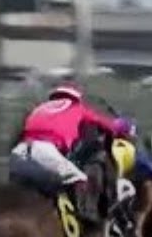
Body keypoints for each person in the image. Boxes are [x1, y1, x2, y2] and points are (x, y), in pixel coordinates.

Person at [8, 83, 134, 227]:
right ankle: (87, 222)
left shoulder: (39, 109)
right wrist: (124, 126)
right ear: (76, 98)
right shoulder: (78, 108)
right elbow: (109, 126)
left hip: (18, 154)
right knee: (81, 180)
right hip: (44, 151)